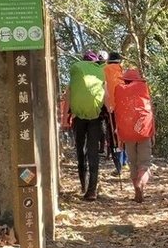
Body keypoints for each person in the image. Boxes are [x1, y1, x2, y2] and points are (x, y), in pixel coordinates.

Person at [66, 50, 106, 201]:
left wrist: (65, 118)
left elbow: (68, 95)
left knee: (80, 151)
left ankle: (83, 184)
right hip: (96, 118)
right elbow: (106, 96)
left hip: (78, 118)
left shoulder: (76, 75)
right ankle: (92, 190)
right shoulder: (99, 73)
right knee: (93, 152)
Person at [113, 67, 155, 203]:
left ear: (125, 80)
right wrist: (152, 131)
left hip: (127, 132)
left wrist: (119, 135)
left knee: (133, 163)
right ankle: (140, 184)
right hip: (143, 130)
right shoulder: (143, 88)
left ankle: (136, 189)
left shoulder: (120, 91)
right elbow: (149, 111)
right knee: (144, 164)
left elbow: (116, 113)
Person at [103, 51, 125, 175]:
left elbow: (103, 88)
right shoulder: (123, 70)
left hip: (111, 108)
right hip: (124, 108)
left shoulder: (105, 70)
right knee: (123, 134)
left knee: (113, 136)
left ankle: (118, 166)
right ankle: (124, 161)